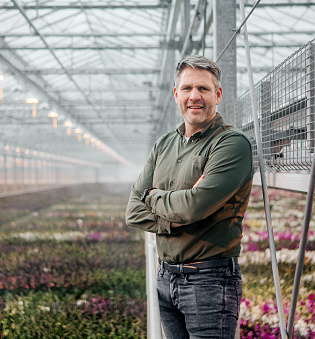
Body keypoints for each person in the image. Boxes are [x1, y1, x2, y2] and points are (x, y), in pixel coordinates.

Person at [125, 55, 254, 339]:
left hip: (209, 281)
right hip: (165, 277)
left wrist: (153, 195)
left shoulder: (231, 143)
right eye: (187, 88)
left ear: (217, 95)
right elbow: (133, 211)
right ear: (176, 94)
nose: (194, 96)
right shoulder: (165, 144)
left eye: (204, 89)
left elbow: (193, 207)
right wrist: (176, 216)